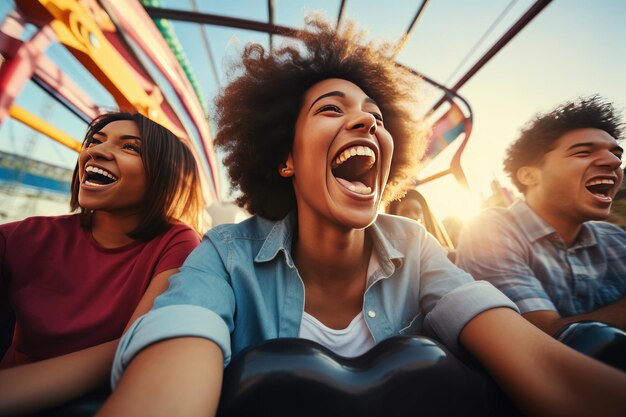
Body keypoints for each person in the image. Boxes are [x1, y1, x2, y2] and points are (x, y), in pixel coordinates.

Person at [98, 18, 626, 417]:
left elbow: (536, 362)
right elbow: (175, 358)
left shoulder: (415, 246)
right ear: (285, 158)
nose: (364, 122)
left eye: (377, 116)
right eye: (332, 109)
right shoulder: (225, 253)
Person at [0, 112, 204, 414]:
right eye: (95, 141)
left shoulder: (178, 242)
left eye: (129, 147)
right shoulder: (22, 236)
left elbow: (136, 345)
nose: (95, 151)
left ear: (165, 174)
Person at [456, 96, 626, 337]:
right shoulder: (490, 229)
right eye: (583, 153)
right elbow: (542, 338)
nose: (613, 161)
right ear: (529, 176)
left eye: (616, 154)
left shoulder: (616, 238)